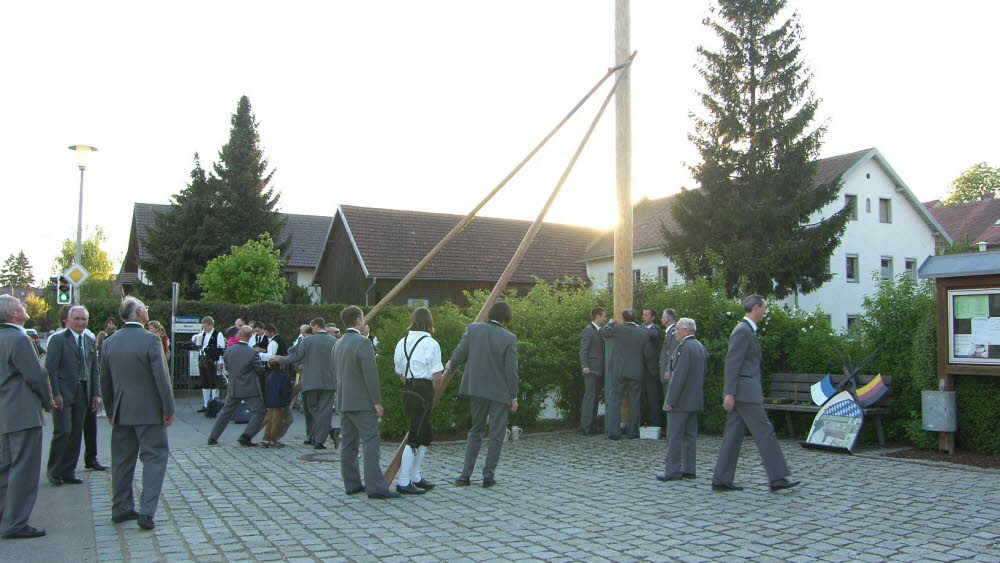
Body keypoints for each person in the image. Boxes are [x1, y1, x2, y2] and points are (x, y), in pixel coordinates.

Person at [711, 295, 800, 492]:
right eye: (764, 307)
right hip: (745, 393)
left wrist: (731, 392)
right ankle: (777, 477)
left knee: (733, 435)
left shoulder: (746, 330)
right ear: (756, 308)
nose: (765, 311)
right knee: (765, 433)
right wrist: (729, 393)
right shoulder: (743, 330)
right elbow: (732, 363)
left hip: (743, 391)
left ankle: (721, 479)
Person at [100, 297, 175, 530]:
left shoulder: (109, 342)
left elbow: (105, 380)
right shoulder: (151, 340)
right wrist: (168, 408)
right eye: (146, 308)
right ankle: (147, 512)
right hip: (149, 410)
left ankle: (121, 508)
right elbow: (161, 378)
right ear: (140, 312)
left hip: (122, 409)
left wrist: (110, 409)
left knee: (122, 460)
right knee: (155, 457)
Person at [0, 294, 55, 539]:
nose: (24, 308)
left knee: (4, 468)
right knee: (24, 469)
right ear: (12, 313)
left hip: (4, 412)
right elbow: (37, 375)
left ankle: (5, 516)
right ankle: (16, 523)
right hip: (22, 412)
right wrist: (48, 400)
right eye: (20, 305)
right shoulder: (19, 338)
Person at [447, 301, 519, 488]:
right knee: (496, 435)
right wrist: (514, 397)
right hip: (499, 392)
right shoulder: (509, 338)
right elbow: (512, 371)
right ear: (506, 318)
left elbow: (459, 353)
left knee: (475, 431)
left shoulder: (473, 329)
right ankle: (488, 476)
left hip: (476, 389)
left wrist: (450, 366)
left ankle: (465, 476)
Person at [334, 306, 396, 499]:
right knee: (370, 442)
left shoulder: (338, 343)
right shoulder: (363, 343)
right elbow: (370, 375)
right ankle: (376, 487)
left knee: (348, 443)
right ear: (359, 320)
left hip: (344, 399)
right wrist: (376, 401)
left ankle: (351, 483)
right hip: (362, 402)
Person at [44, 305, 101, 487]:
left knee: (76, 433)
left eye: (84, 319)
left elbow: (94, 370)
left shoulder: (90, 340)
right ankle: (54, 471)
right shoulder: (58, 340)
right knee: (63, 431)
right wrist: (55, 393)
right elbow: (51, 369)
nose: (81, 322)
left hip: (83, 392)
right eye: (77, 319)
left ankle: (68, 471)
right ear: (67, 320)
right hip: (64, 392)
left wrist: (95, 394)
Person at [392, 307, 444, 495]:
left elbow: (398, 371)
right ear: (429, 322)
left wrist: (410, 385)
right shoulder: (431, 344)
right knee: (415, 435)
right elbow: (437, 376)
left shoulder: (402, 341)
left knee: (425, 434)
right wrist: (433, 392)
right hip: (424, 390)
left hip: (409, 389)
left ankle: (415, 476)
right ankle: (403, 481)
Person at [271, 318, 338, 449]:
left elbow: (296, 356)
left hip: (310, 381)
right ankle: (320, 440)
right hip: (329, 381)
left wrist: (280, 360)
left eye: (312, 327)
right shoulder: (335, 342)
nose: (311, 330)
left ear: (316, 326)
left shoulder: (307, 341)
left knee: (312, 410)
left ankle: (320, 434)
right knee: (325, 411)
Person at [656, 318, 706, 482]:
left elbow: (679, 378)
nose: (675, 332)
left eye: (677, 329)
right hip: (694, 400)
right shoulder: (700, 346)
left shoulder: (683, 348)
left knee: (675, 436)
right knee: (690, 436)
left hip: (681, 401)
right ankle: (689, 469)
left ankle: (672, 471)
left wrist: (670, 400)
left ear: (686, 330)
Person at [207, 326, 267, 447]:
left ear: (239, 335)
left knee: (225, 412)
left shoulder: (229, 350)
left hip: (234, 386)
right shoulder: (253, 353)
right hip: (249, 388)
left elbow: (228, 367)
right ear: (250, 337)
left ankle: (213, 437)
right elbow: (259, 370)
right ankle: (246, 436)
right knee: (259, 411)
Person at [601, 309, 650, 440]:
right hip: (636, 371)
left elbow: (604, 332)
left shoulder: (617, 329)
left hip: (619, 371)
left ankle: (614, 432)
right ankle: (633, 432)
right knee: (635, 401)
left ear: (623, 319)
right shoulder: (643, 332)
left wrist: (610, 323)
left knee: (615, 400)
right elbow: (647, 354)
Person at [259, 324, 293, 447]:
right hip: (279, 401)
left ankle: (266, 438)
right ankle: (273, 439)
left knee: (270, 420)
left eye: (266, 332)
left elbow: (270, 356)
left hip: (271, 400)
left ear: (270, 332)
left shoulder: (270, 376)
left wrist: (260, 354)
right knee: (277, 420)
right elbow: (285, 390)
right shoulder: (284, 376)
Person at [579, 307, 606, 436]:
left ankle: (593, 426)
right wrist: (585, 365)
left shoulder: (600, 331)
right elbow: (584, 349)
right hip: (590, 369)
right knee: (589, 397)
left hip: (599, 369)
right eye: (604, 316)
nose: (605, 318)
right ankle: (586, 427)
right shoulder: (588, 330)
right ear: (597, 316)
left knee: (595, 399)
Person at [192, 317, 225, 413]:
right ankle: (206, 404)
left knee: (213, 382)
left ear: (211, 325)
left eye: (205, 326)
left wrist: (220, 362)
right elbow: (194, 338)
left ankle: (215, 404)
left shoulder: (218, 334)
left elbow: (221, 349)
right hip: (203, 359)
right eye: (203, 326)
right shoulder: (202, 333)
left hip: (212, 360)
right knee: (204, 382)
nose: (204, 328)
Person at [639, 308, 663, 431]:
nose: (643, 317)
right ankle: (642, 424)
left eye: (646, 315)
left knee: (653, 398)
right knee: (641, 398)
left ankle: (655, 425)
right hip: (640, 368)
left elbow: (653, 336)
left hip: (652, 369)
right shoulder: (640, 327)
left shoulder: (656, 328)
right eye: (643, 315)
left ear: (653, 317)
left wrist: (638, 328)